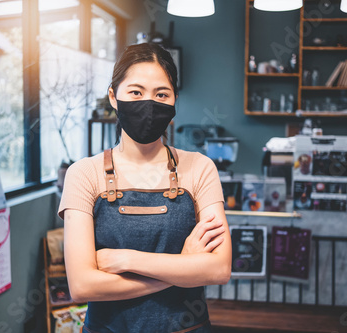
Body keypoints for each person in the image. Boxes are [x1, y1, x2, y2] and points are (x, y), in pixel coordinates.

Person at [58, 43, 232, 333]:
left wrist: (126, 259)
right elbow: (82, 286)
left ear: (175, 100)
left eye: (161, 94)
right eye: (136, 92)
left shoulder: (200, 168)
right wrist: (182, 266)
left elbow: (218, 269)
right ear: (114, 96)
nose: (149, 104)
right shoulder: (83, 174)